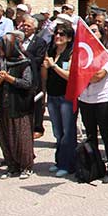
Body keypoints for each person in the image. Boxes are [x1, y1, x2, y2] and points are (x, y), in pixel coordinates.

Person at [77, 24, 108, 183]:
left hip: (103, 99)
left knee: (106, 135)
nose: (91, 33)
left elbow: (99, 75)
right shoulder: (82, 54)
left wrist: (83, 74)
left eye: (94, 31)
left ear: (101, 35)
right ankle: (95, 167)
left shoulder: (106, 54)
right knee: (90, 135)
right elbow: (74, 72)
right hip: (85, 99)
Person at [0, 32, 35, 180]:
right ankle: (12, 166)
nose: (1, 52)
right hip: (3, 105)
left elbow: (27, 83)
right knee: (5, 136)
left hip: (19, 105)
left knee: (21, 137)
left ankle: (26, 166)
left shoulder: (24, 63)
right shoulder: (1, 63)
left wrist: (9, 78)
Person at [42, 24, 76, 177]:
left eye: (62, 34)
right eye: (56, 34)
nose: (57, 37)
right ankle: (59, 161)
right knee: (57, 131)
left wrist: (54, 66)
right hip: (52, 95)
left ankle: (67, 164)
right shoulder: (50, 52)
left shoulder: (71, 53)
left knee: (68, 132)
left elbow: (70, 76)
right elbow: (45, 76)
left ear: (69, 38)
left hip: (66, 97)